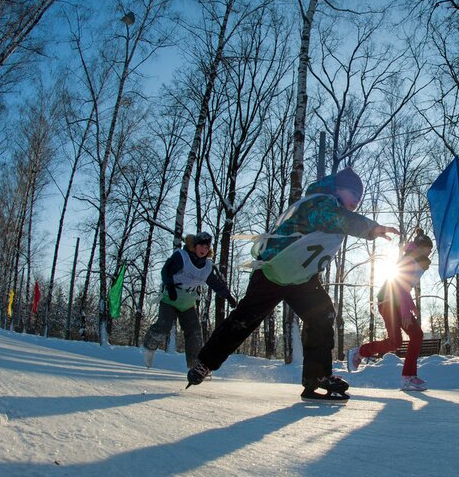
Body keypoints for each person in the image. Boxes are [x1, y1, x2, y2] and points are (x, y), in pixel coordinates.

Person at [186, 167, 399, 401]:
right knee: (246, 318)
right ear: (338, 188)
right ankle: (205, 363)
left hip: (301, 278)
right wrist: (371, 228)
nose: (356, 202)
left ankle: (317, 378)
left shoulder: (334, 208)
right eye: (354, 195)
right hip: (275, 270)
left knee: (322, 316)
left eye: (360, 198)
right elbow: (333, 218)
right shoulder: (319, 202)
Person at [347, 229, 434, 391]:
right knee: (396, 342)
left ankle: (409, 377)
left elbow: (405, 289)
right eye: (428, 248)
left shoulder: (416, 260)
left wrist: (411, 306)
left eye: (430, 249)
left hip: (398, 301)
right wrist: (406, 313)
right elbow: (398, 286)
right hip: (387, 302)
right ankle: (360, 352)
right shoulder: (409, 260)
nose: (430, 251)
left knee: (416, 335)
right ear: (421, 248)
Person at [142, 232, 237, 369]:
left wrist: (228, 296)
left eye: (207, 247)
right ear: (194, 245)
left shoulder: (207, 266)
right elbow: (166, 271)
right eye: (201, 246)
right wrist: (170, 286)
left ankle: (194, 365)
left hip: (187, 302)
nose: (204, 250)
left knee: (194, 331)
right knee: (164, 325)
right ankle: (149, 348)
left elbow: (215, 283)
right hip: (170, 298)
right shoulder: (182, 256)